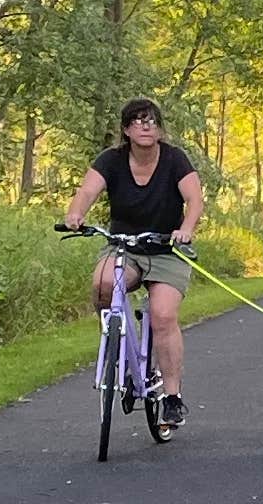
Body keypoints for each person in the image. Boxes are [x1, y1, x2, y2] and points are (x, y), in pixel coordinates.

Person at [65, 97, 205, 433]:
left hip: (166, 250)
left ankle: (171, 397)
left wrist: (185, 230)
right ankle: (122, 347)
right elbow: (86, 192)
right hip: (125, 247)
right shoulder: (111, 161)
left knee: (163, 315)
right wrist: (75, 213)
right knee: (101, 285)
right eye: (138, 121)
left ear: (160, 129)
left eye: (152, 121)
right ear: (126, 129)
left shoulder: (174, 159)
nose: (146, 126)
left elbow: (195, 199)